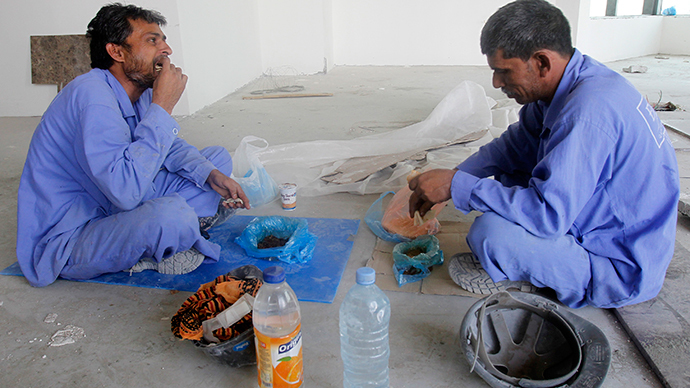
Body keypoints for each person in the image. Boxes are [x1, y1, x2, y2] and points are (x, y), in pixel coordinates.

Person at [408, 0, 679, 308]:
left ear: (541, 63)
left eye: (503, 71)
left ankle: (538, 274)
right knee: (506, 177)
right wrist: (452, 180)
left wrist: (456, 185)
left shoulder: (587, 113)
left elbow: (548, 216)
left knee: (491, 234)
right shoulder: (568, 83)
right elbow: (512, 147)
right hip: (603, 217)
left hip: (617, 265)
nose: (496, 83)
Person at [16, 3, 249, 287]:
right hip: (76, 232)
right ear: (117, 52)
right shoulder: (92, 96)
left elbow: (169, 147)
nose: (167, 50)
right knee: (171, 216)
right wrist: (162, 106)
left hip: (119, 200)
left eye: (163, 40)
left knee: (216, 160)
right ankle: (161, 239)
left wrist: (211, 175)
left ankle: (179, 228)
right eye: (152, 40)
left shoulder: (136, 92)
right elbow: (125, 192)